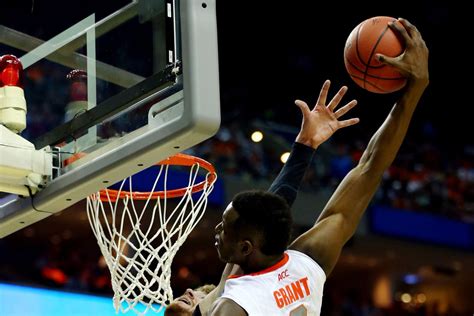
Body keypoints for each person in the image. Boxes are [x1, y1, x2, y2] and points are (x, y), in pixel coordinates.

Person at [208, 17, 429, 315]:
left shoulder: (232, 305)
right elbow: (369, 168)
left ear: (246, 248)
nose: (218, 230)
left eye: (225, 227)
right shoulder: (308, 261)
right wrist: (415, 89)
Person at [165, 62, 360, 315]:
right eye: (194, 295)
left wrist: (305, 146)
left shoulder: (236, 290)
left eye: (196, 293)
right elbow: (272, 205)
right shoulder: (236, 297)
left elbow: (270, 207)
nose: (189, 292)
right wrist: (304, 148)